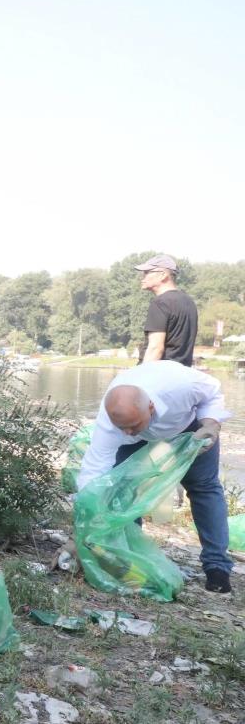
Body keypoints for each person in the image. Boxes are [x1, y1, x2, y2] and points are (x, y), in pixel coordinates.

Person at [76, 360, 232, 593]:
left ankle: (217, 566)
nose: (126, 431)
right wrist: (80, 527)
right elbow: (93, 471)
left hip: (189, 426)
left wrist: (211, 424)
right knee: (122, 490)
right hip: (139, 440)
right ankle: (134, 557)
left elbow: (212, 392)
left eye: (132, 424)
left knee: (204, 487)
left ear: (150, 407)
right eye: (122, 427)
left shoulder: (180, 385)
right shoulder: (112, 424)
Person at [136, 254, 198, 366]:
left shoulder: (161, 303)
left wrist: (142, 377)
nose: (142, 277)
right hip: (181, 375)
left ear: (163, 275)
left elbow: (156, 348)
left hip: (160, 375)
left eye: (147, 272)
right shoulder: (189, 302)